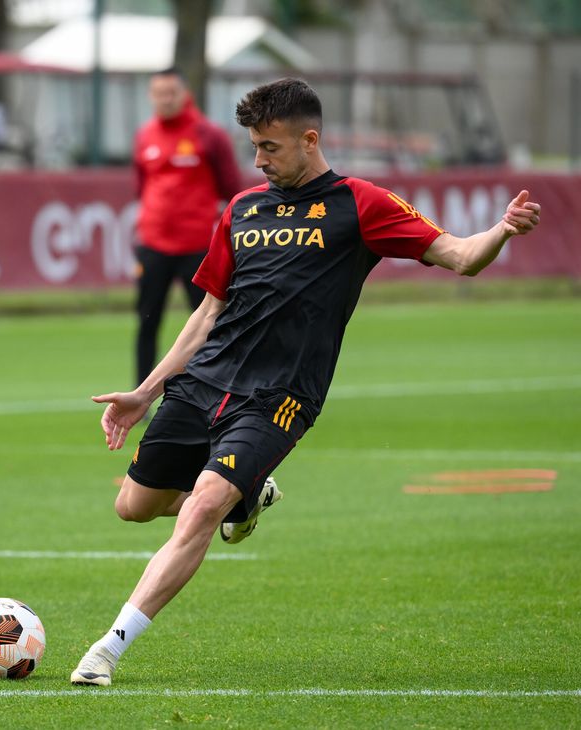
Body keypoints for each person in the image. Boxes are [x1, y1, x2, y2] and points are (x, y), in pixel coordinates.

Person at [70, 77, 542, 686]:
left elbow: (460, 255)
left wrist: (502, 230)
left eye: (269, 147)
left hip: (280, 397)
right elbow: (207, 312)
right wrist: (148, 390)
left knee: (204, 506)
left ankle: (107, 650)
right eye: (254, 147)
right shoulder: (242, 209)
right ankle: (249, 494)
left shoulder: (360, 204)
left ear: (310, 140)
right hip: (205, 382)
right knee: (134, 507)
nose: (258, 161)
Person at [132, 68, 241, 387]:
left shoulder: (209, 135)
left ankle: (219, 391)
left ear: (185, 94)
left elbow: (232, 189)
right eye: (159, 94)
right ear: (150, 96)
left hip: (198, 247)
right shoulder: (145, 135)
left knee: (210, 323)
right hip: (153, 245)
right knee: (147, 322)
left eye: (171, 93)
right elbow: (141, 187)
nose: (165, 100)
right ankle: (140, 396)